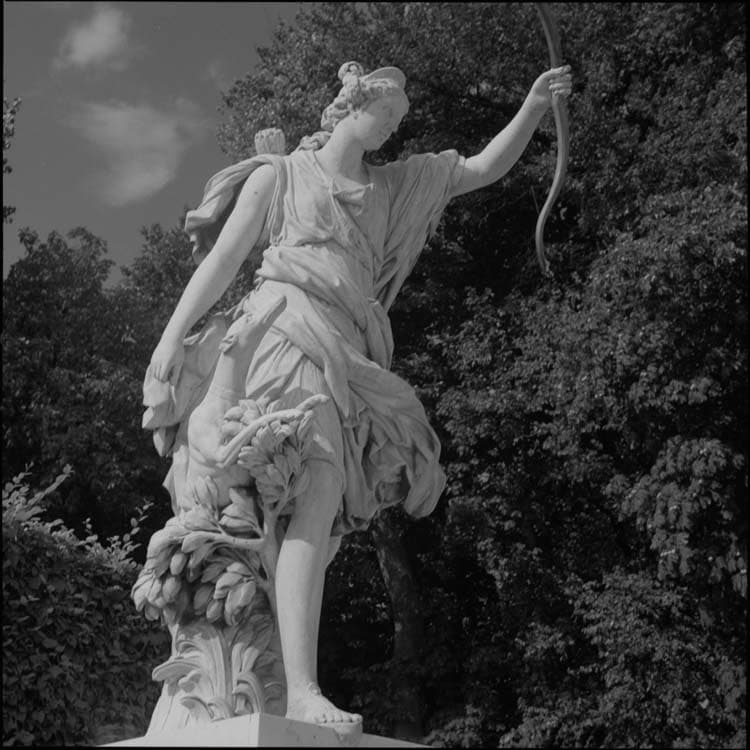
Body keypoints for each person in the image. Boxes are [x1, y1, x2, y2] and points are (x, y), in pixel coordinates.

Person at [146, 60, 572, 735]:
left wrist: (533, 107)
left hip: (348, 353)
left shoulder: (393, 186)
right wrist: (171, 340)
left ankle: (287, 679)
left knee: (316, 512)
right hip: (285, 331)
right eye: (388, 113)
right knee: (313, 492)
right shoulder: (281, 176)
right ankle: (300, 688)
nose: (393, 128)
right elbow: (222, 263)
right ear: (351, 104)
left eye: (399, 121)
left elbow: (481, 168)